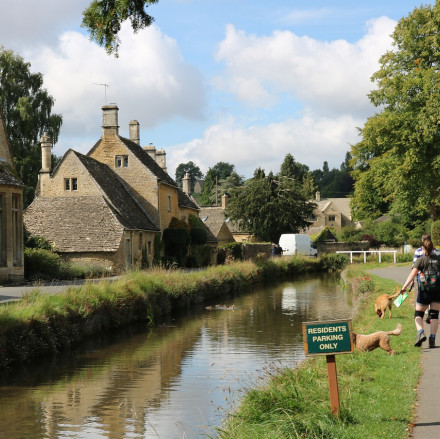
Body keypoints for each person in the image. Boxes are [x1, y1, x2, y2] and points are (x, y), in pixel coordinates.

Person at [400, 237, 440, 348]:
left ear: (423, 248)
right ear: (433, 248)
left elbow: (412, 275)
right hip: (437, 291)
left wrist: (404, 287)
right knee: (434, 315)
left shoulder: (420, 260)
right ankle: (432, 338)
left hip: (424, 291)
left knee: (418, 314)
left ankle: (420, 332)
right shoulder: (439, 259)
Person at [411, 234, 440, 323]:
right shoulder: (437, 251)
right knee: (433, 295)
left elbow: (414, 266)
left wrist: (412, 279)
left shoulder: (418, 251)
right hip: (434, 279)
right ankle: (431, 313)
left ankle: (424, 312)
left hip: (422, 277)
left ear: (422, 241)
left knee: (423, 295)